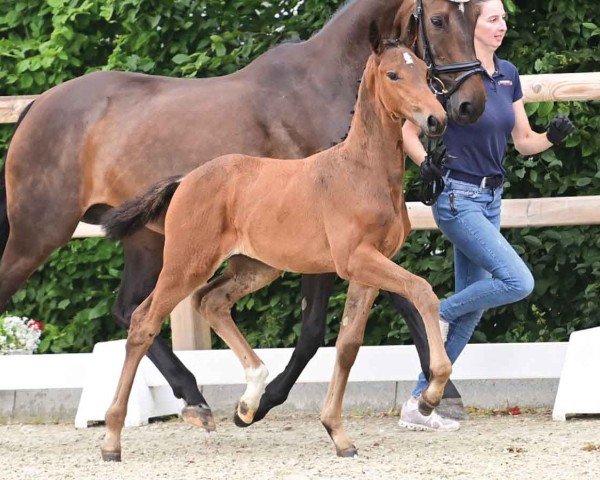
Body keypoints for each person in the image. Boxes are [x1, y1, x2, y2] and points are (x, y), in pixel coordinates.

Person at [398, 0, 574, 432]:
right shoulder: (448, 75)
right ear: (471, 25)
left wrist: (550, 136)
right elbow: (407, 131)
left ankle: (421, 404)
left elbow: (524, 141)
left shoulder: (508, 75)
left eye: (504, 19)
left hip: (491, 198)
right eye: (494, 19)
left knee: (472, 312)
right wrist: (426, 165)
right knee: (518, 281)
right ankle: (436, 309)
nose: (502, 25)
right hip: (457, 197)